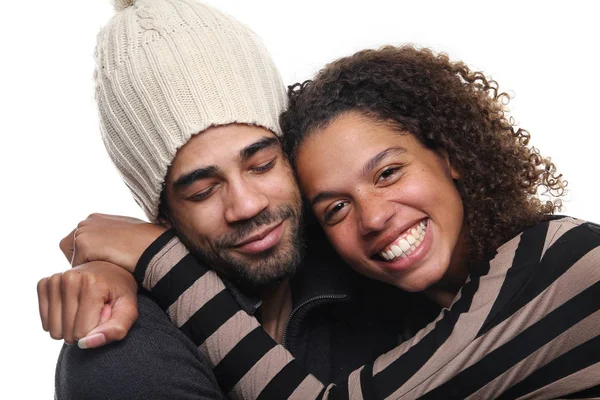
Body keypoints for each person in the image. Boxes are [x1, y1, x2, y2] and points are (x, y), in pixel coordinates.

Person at [49, 46, 600, 398]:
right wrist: (116, 272)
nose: (375, 217)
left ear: (450, 153)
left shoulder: (568, 261)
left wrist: (154, 256)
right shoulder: (389, 302)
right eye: (334, 207)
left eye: (387, 173)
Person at [37, 1, 436, 399]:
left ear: (291, 154)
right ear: (162, 216)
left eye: (261, 164)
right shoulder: (121, 351)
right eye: (202, 191)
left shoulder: (377, 257)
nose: (247, 205)